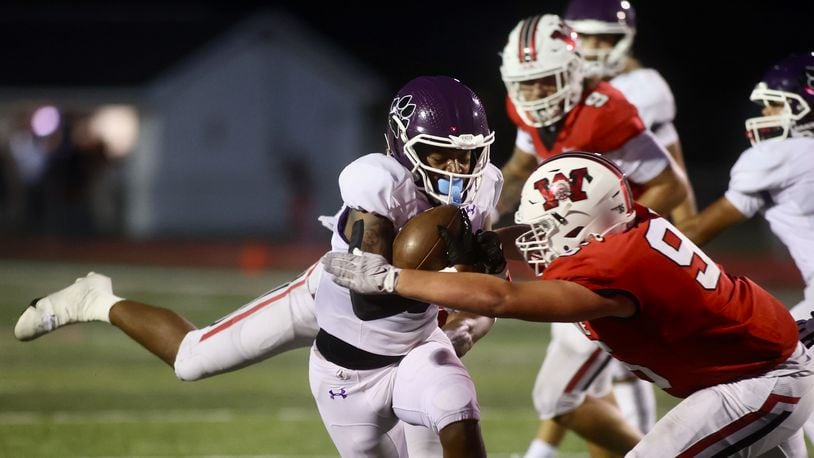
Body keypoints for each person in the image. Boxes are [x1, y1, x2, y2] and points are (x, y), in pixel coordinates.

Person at [14, 75, 504, 457]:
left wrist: (466, 320)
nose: (459, 171)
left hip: (408, 347)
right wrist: (452, 274)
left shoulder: (486, 189)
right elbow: (370, 293)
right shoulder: (377, 182)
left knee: (452, 409)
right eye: (443, 155)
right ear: (404, 148)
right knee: (191, 360)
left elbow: (489, 294)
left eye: (469, 156)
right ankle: (96, 298)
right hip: (330, 304)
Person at [323, 151, 814, 457]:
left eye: (546, 230)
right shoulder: (625, 224)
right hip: (756, 368)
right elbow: (556, 233)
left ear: (584, 226)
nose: (535, 241)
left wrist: (393, 278)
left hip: (760, 383)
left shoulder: (615, 268)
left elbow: (503, 297)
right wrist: (492, 242)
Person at [494, 13, 690, 456]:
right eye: (527, 84)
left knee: (561, 394)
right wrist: (486, 207)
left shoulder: (605, 112)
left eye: (547, 81)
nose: (536, 94)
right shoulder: (525, 107)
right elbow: (521, 168)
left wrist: (608, 234)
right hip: (573, 261)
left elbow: (671, 184)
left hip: (615, 266)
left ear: (572, 71)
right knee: (586, 389)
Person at [677, 51, 814, 446]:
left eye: (778, 104)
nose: (768, 112)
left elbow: (700, 229)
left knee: (769, 378)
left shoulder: (779, 155)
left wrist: (636, 239)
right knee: (778, 382)